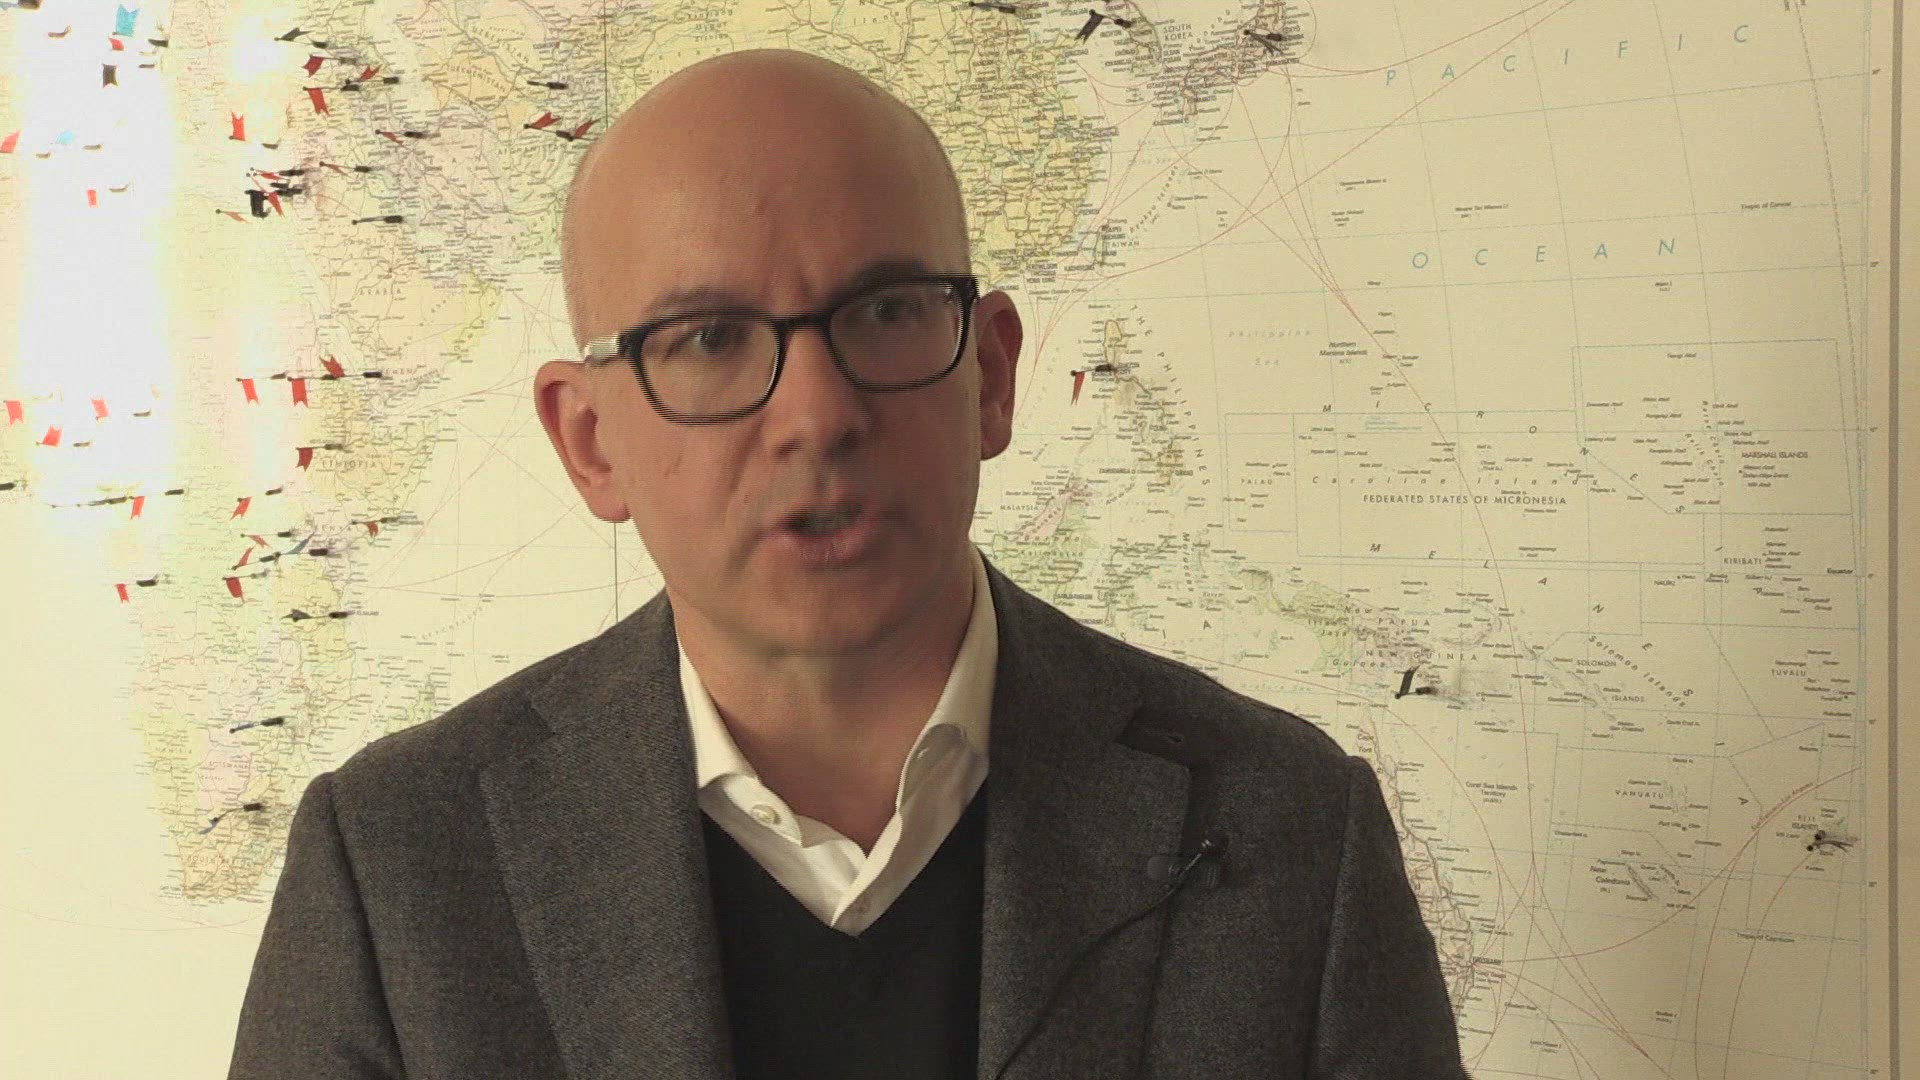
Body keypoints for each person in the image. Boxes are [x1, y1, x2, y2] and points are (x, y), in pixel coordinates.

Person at [227, 48, 1469, 1080]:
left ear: (991, 374)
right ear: (591, 441)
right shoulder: (395, 868)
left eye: (884, 313)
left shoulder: (1287, 829)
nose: (816, 415)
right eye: (709, 338)